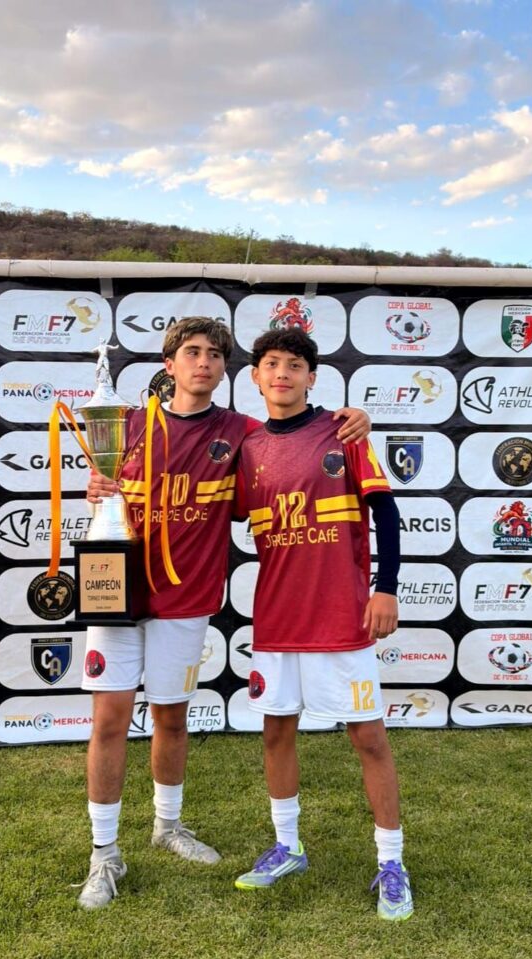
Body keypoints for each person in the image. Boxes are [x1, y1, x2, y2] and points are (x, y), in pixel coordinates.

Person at [76, 315, 371, 909]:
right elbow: (100, 486)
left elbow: (299, 439)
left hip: (186, 599)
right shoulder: (126, 425)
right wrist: (97, 489)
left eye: (214, 354)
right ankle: (104, 853)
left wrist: (358, 420)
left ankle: (167, 826)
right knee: (109, 720)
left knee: (171, 719)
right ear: (169, 365)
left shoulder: (242, 433)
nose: (203, 362)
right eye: (191, 352)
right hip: (117, 591)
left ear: (227, 369)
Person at [234, 326, 413, 922]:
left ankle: (392, 862)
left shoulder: (343, 431)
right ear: (256, 377)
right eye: (271, 364)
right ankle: (288, 847)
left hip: (339, 615)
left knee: (368, 738)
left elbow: (386, 514)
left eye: (294, 364)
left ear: (311, 377)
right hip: (277, 618)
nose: (282, 373)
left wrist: (385, 587)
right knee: (276, 733)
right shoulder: (248, 447)